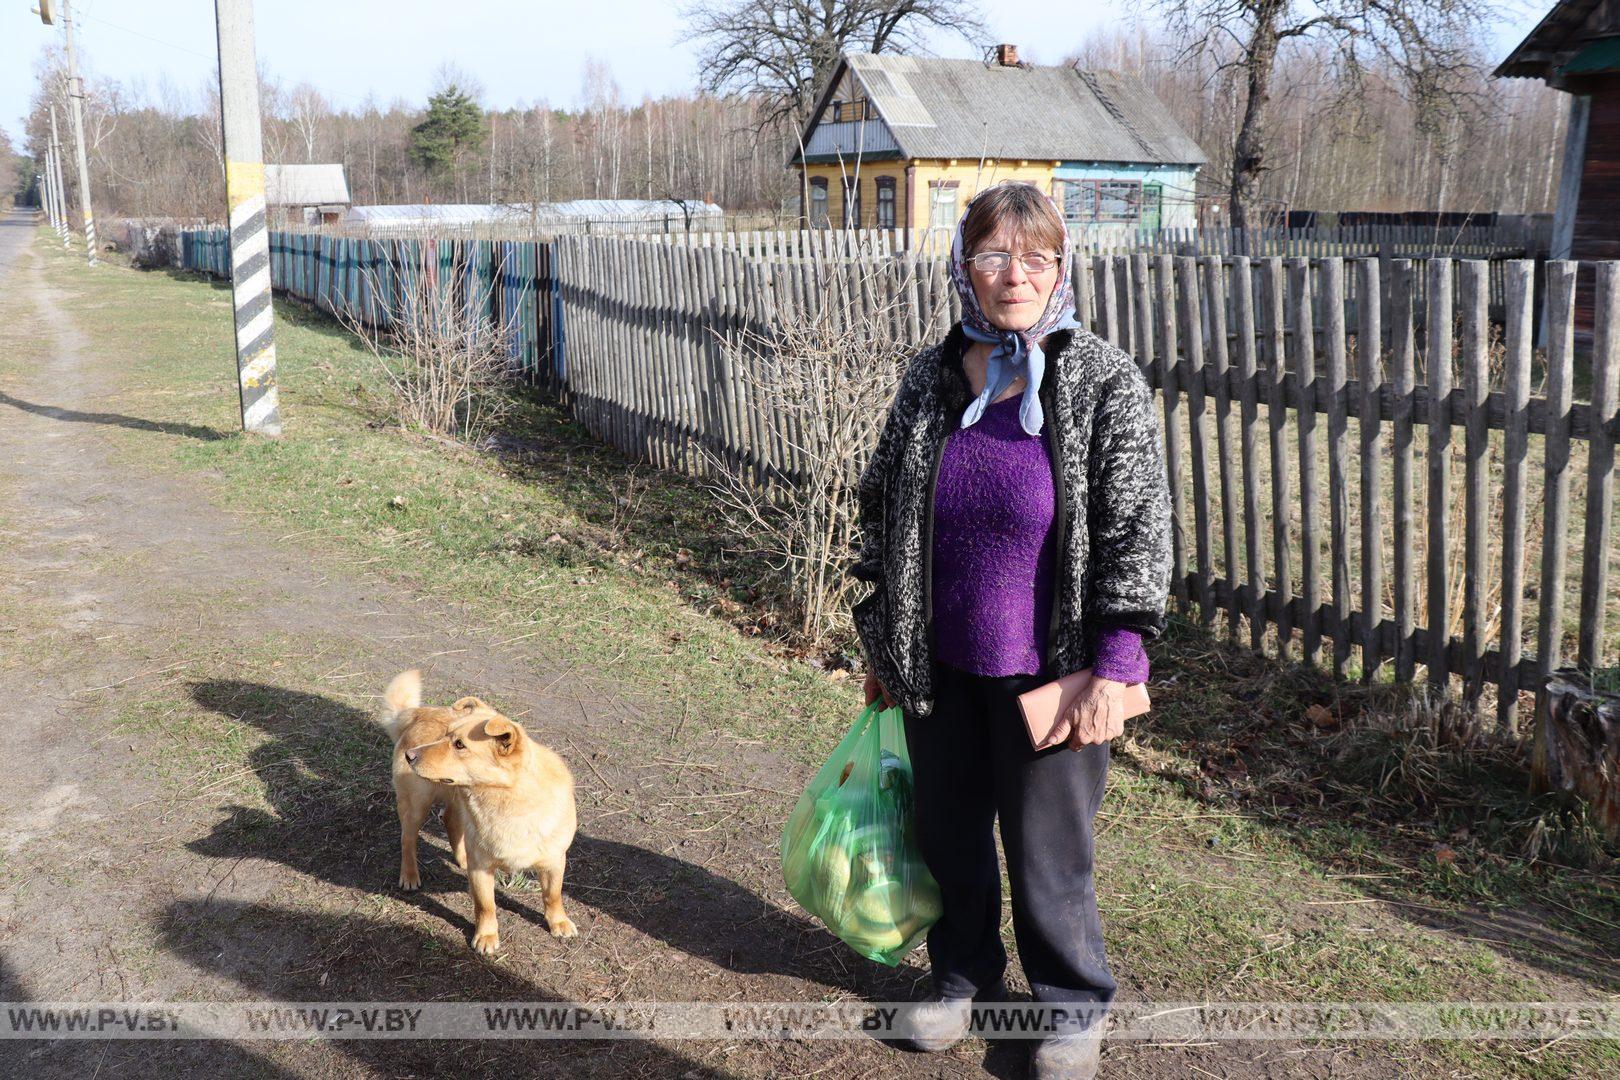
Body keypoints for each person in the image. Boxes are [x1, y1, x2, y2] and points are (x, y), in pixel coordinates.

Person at [850, 182, 1171, 1079]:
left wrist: (1116, 661)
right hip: (938, 667)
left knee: (1048, 858)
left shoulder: (1102, 380)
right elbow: (881, 509)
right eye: (994, 255)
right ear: (965, 267)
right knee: (949, 837)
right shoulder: (931, 375)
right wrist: (885, 644)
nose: (1014, 276)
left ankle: (1072, 1008)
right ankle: (963, 983)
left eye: (1036, 258)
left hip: (1053, 673)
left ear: (1062, 269)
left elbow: (1139, 529)